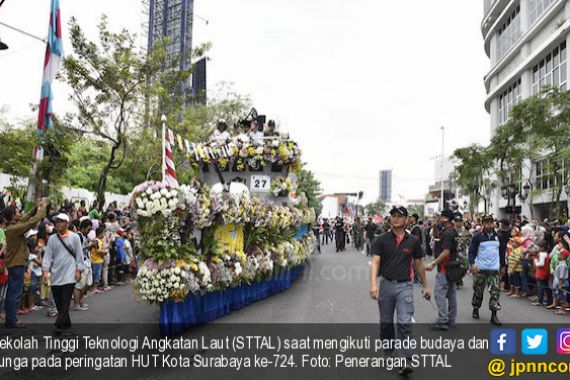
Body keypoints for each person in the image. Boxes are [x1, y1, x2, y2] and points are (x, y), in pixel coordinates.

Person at [369, 206, 430, 377]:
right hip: (386, 286)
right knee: (386, 323)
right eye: (393, 216)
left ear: (406, 219)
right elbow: (375, 262)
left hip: (405, 286)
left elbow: (418, 264)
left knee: (404, 322)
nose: (396, 219)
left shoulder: (413, 241)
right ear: (390, 219)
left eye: (399, 216)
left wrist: (425, 285)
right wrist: (373, 284)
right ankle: (389, 351)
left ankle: (404, 360)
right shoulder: (381, 240)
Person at [3, 198, 47, 328]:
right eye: (17, 212)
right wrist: (42, 209)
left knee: (13, 292)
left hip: (16, 264)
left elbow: (27, 217)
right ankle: (12, 320)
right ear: (12, 216)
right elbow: (31, 222)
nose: (19, 214)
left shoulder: (13, 226)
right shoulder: (14, 229)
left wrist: (35, 207)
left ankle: (10, 319)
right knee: (14, 293)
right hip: (16, 264)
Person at [42, 213, 84, 333]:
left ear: (67, 223)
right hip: (56, 275)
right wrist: (45, 271)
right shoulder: (52, 239)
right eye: (57, 221)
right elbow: (48, 257)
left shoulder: (75, 237)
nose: (59, 224)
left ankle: (59, 325)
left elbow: (79, 256)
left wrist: (79, 270)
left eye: (61, 221)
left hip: (70, 275)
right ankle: (66, 323)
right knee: (60, 303)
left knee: (65, 301)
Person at [468, 215, 505, 325]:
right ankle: (476, 308)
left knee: (495, 292)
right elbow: (471, 252)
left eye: (491, 222)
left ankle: (494, 315)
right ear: (483, 224)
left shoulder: (499, 236)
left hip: (494, 269)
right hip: (480, 269)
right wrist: (472, 264)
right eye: (486, 222)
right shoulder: (477, 236)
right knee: (478, 291)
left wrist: (503, 266)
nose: (489, 224)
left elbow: (502, 252)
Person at [425, 209, 458, 330]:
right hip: (452, 268)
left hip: (445, 268)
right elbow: (437, 237)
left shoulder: (448, 233)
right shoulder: (450, 231)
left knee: (439, 294)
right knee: (451, 294)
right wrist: (434, 226)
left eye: (440, 216)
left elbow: (446, 251)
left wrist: (433, 263)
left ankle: (442, 320)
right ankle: (451, 319)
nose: (438, 218)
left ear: (446, 219)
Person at [532, 240, 552, 307]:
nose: (538, 248)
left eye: (539, 247)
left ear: (542, 248)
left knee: (541, 287)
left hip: (541, 273)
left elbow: (541, 264)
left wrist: (535, 262)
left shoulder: (541, 254)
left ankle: (540, 301)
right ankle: (549, 301)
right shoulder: (546, 254)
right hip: (546, 273)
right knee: (546, 287)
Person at [553, 239, 570, 315]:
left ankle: (563, 310)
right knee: (560, 296)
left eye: (560, 254)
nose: (558, 256)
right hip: (561, 282)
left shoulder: (563, 265)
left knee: (563, 296)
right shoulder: (560, 263)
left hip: (562, 282)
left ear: (563, 256)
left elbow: (561, 276)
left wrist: (560, 284)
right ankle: (562, 309)